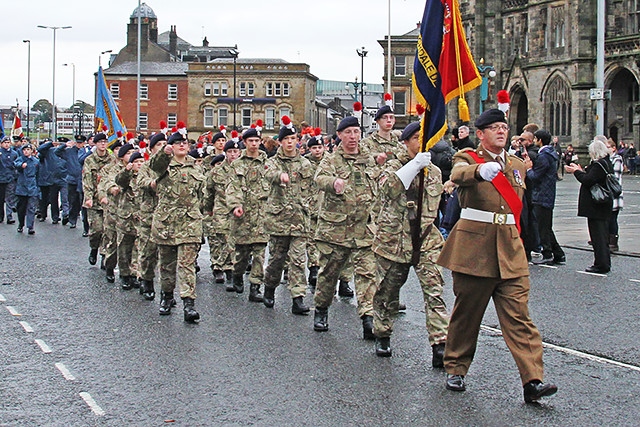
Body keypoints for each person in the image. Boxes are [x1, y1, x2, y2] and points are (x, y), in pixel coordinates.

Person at [437, 109, 557, 404]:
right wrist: (480, 171)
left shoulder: (517, 164)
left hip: (511, 250)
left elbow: (521, 207)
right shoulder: (466, 158)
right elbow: (457, 175)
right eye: (494, 128)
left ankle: (532, 380)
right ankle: (456, 368)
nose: (501, 132)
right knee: (468, 315)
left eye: (504, 127)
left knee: (520, 318)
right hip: (475, 250)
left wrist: (534, 243)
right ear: (481, 134)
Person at [371, 121, 449, 364]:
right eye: (415, 137)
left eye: (424, 136)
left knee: (434, 292)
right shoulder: (392, 166)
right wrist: (414, 166)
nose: (420, 141)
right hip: (394, 240)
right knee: (388, 292)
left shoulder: (434, 172)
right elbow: (388, 189)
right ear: (405, 141)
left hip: (425, 240)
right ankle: (383, 333)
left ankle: (440, 344)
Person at [312, 116, 378, 339]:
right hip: (336, 230)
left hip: (363, 230)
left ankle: (368, 319)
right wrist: (334, 183)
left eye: (356, 132)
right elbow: (319, 177)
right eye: (348, 132)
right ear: (339, 135)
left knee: (367, 275)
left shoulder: (368, 160)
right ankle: (321, 309)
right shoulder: (331, 160)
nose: (353, 137)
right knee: (329, 274)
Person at [149, 129, 205, 322]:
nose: (182, 145)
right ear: (171, 146)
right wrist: (164, 152)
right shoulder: (164, 165)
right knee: (166, 264)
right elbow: (155, 166)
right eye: (177, 142)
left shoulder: (196, 168)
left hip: (189, 222)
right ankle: (166, 297)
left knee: (187, 264)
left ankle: (189, 304)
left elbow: (202, 195)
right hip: (167, 221)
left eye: (185, 142)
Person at [261, 119, 314, 314]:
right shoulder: (273, 162)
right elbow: (268, 173)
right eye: (287, 139)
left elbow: (311, 189)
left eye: (293, 138)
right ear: (281, 142)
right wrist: (279, 177)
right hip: (279, 219)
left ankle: (298, 298)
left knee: (298, 260)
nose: (290, 142)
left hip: (299, 218)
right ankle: (269, 286)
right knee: (277, 259)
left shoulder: (305, 163)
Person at [226, 128, 270, 300]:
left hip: (261, 213)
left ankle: (255, 287)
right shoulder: (237, 164)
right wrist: (235, 205)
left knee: (259, 253)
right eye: (250, 141)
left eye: (256, 141)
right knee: (242, 254)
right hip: (243, 215)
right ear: (244, 143)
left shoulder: (267, 162)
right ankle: (237, 274)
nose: (254, 144)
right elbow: (232, 187)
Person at [565, 139, 613, 273]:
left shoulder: (599, 165)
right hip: (601, 205)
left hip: (597, 205)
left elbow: (588, 180)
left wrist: (576, 171)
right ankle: (602, 262)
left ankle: (601, 264)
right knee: (601, 236)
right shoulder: (606, 163)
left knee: (598, 237)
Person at [203, 138, 243, 286]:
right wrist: (207, 209)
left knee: (238, 243)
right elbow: (209, 192)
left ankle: (235, 269)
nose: (233, 155)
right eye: (230, 152)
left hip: (241, 210)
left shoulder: (244, 168)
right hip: (222, 210)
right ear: (225, 153)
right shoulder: (216, 171)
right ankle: (228, 272)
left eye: (235, 151)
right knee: (226, 240)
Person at [528, 129, 566, 265]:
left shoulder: (544, 156)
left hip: (542, 194)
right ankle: (558, 253)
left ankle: (548, 253)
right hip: (546, 194)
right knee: (546, 226)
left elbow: (536, 176)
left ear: (539, 140)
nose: (533, 141)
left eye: (535, 138)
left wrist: (528, 169)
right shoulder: (549, 153)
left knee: (543, 227)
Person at [82, 132, 115, 267]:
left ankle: (104, 256)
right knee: (96, 230)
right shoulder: (89, 160)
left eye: (105, 142)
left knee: (108, 231)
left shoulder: (112, 159)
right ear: (95, 144)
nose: (103, 144)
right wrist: (88, 198)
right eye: (100, 142)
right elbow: (87, 180)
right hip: (95, 201)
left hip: (108, 201)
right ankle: (94, 248)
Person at [14, 144, 40, 235]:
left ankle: (30, 226)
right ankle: (21, 224)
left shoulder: (36, 161)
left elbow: (38, 174)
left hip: (32, 187)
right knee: (21, 208)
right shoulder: (20, 159)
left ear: (31, 151)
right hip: (22, 188)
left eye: (28, 149)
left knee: (31, 208)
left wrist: (38, 188)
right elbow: (16, 164)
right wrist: (21, 165)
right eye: (24, 150)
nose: (26, 151)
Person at [606, 138, 623, 251]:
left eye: (608, 147)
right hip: (608, 195)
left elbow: (613, 177)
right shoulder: (608, 159)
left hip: (614, 195)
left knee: (612, 220)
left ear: (613, 148)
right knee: (608, 219)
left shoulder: (617, 159)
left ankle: (613, 242)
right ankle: (607, 240)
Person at [0, 136, 18, 225]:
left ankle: (9, 216)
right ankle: (1, 216)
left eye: (8, 143)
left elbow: (17, 163)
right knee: (1, 198)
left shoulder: (14, 153)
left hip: (10, 178)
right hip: (1, 178)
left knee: (10, 198)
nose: (6, 144)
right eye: (5, 143)